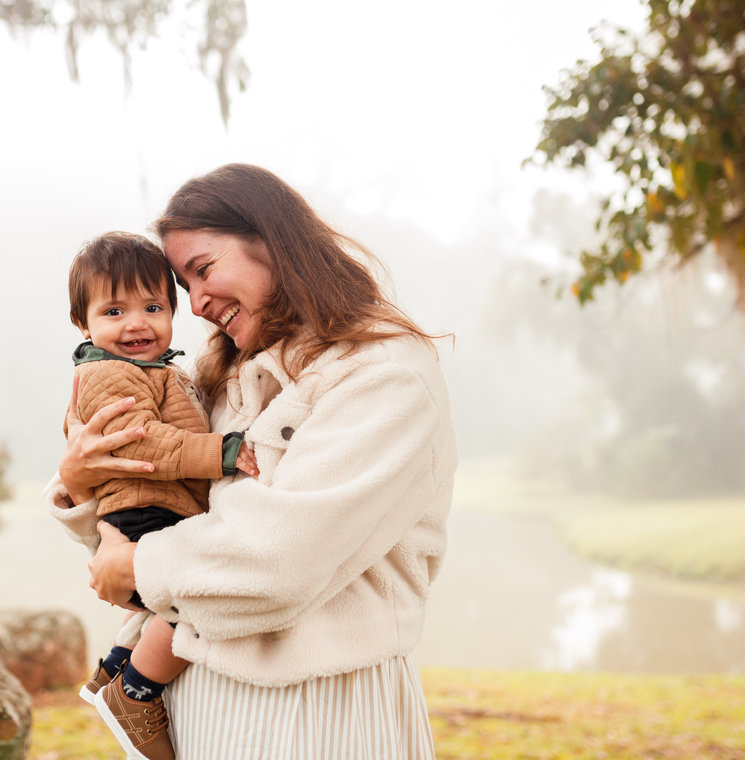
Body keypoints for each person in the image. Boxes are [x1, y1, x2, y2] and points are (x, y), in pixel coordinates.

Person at [44, 164, 458, 759]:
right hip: (199, 708)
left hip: (322, 713)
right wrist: (81, 488)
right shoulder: (221, 373)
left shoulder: (383, 373)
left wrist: (134, 566)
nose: (197, 303)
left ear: (273, 242)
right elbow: (162, 514)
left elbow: (279, 559)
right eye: (185, 286)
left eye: (203, 269)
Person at [63, 230, 258, 760]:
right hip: (143, 510)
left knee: (178, 595)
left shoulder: (159, 371)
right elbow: (143, 440)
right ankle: (136, 692)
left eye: (153, 307)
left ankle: (115, 666)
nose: (136, 324)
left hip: (159, 505)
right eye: (114, 311)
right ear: (83, 324)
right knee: (195, 598)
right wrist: (223, 452)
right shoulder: (107, 374)